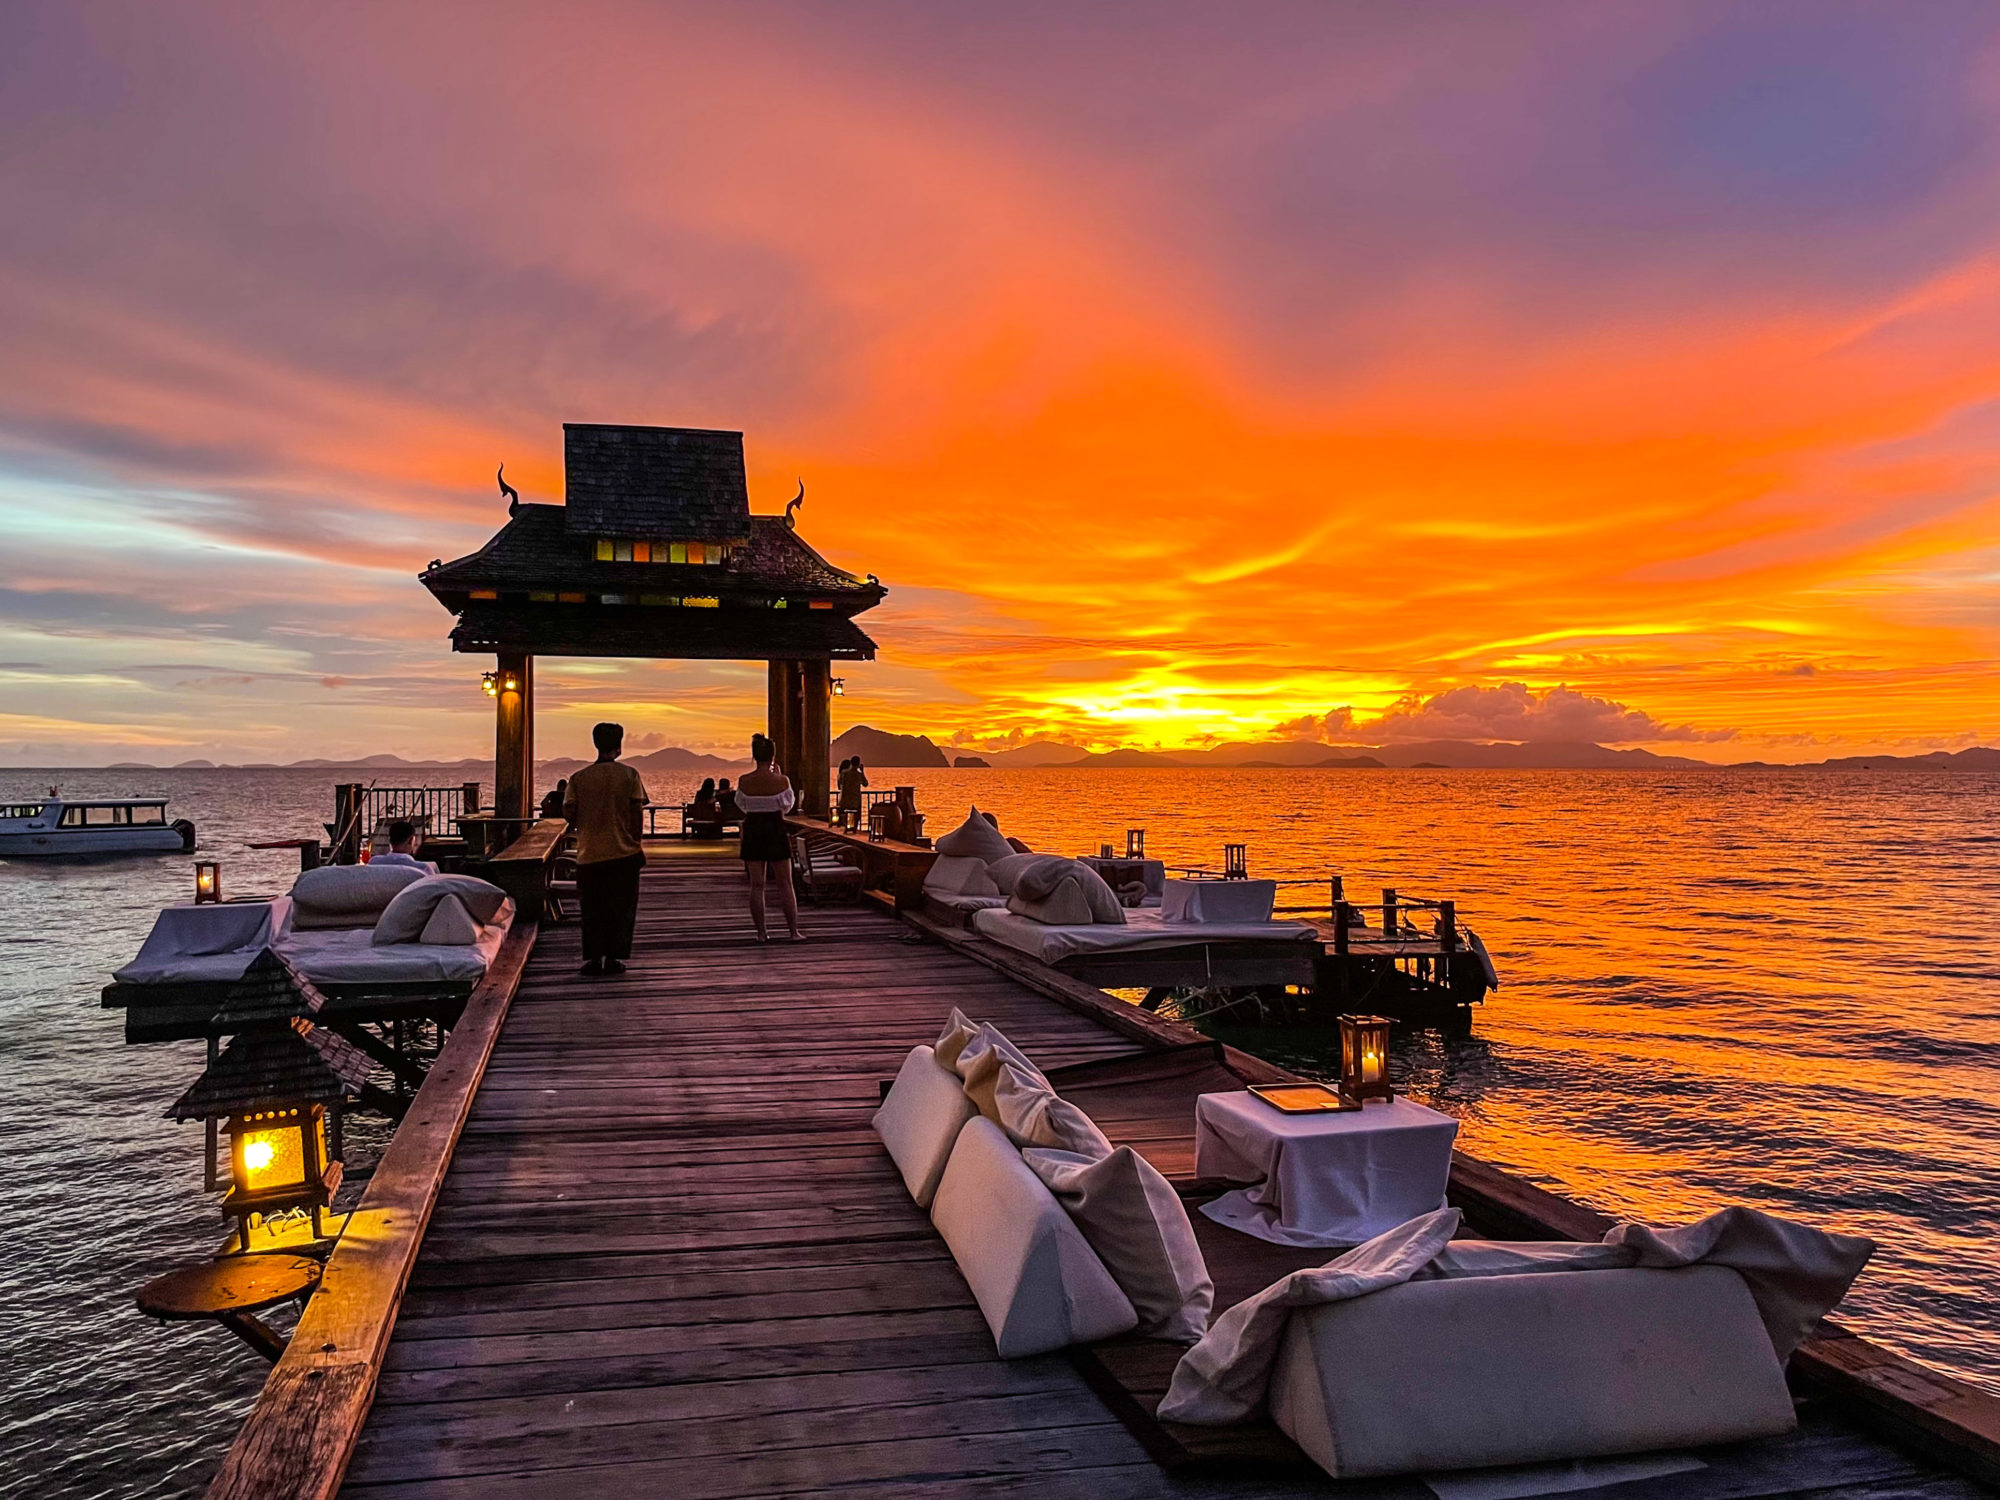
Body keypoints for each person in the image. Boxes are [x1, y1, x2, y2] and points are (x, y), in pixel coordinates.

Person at [562, 722, 650, 976]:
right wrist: (635, 841)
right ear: (619, 745)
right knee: (621, 909)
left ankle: (593, 958)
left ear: (596, 744)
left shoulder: (579, 778)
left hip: (589, 853)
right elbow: (637, 811)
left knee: (592, 909)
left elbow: (569, 812)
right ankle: (613, 957)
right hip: (624, 853)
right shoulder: (630, 775)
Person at [736, 733, 800, 942]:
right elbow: (787, 807)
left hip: (753, 829)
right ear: (772, 757)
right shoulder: (782, 781)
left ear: (754, 756)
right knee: (785, 884)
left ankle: (762, 933)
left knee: (757, 885)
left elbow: (741, 805)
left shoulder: (744, 781)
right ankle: (793, 931)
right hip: (775, 829)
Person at [837, 756, 867, 828]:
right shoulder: (858, 775)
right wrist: (862, 771)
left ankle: (844, 829)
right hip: (855, 801)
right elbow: (865, 784)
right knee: (855, 818)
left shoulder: (844, 773)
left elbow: (839, 784)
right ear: (858, 764)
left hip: (845, 799)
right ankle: (854, 829)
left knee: (843, 818)